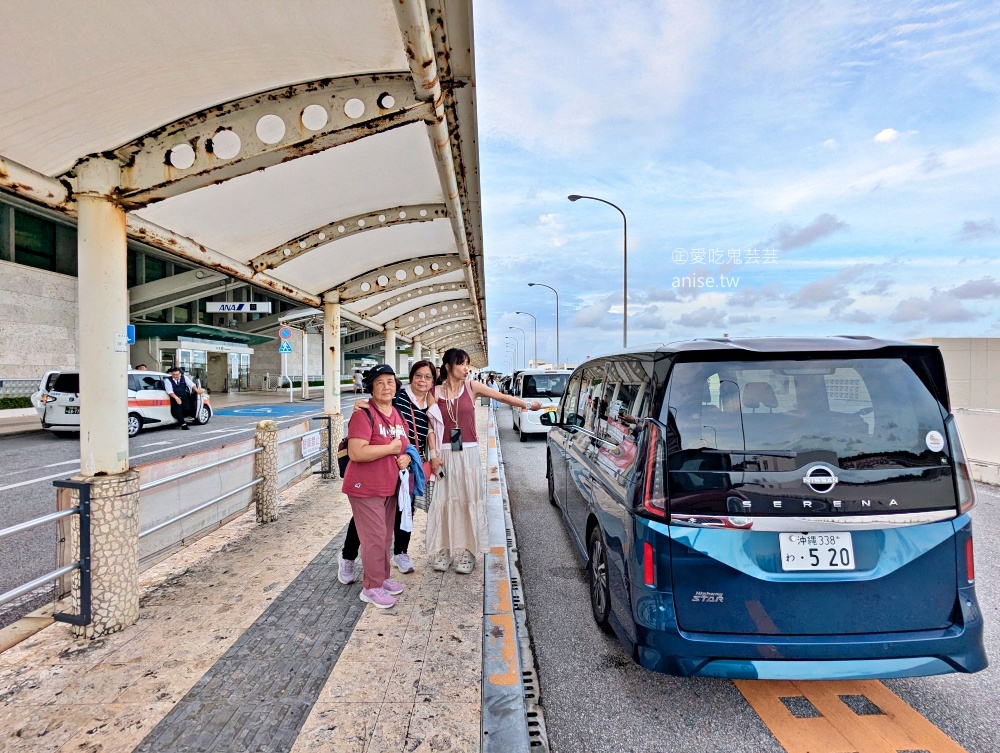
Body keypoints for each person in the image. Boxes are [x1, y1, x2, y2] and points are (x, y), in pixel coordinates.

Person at [426, 349, 541, 574]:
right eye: (461, 364)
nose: (466, 368)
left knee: (470, 499)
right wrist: (433, 455)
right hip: (444, 453)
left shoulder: (472, 387)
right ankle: (444, 549)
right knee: (445, 500)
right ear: (448, 367)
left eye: (467, 364)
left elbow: (501, 397)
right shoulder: (435, 392)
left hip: (468, 452)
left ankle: (470, 551)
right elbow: (431, 427)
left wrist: (526, 405)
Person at [339, 360, 439, 579]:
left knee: (405, 510)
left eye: (428, 377)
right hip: (378, 465)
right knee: (366, 519)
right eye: (418, 376)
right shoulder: (398, 398)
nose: (423, 381)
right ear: (411, 378)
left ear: (433, 381)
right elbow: (376, 403)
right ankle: (348, 557)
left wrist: (419, 456)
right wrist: (361, 403)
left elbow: (429, 433)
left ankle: (400, 553)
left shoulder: (432, 403)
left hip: (406, 463)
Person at [340, 364, 411, 609]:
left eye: (390, 381)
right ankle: (371, 588)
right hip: (364, 486)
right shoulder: (363, 414)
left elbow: (405, 445)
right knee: (373, 537)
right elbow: (356, 452)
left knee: (384, 537)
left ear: (396, 386)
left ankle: (383, 578)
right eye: (379, 382)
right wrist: (390, 449)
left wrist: (406, 457)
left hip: (389, 485)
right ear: (371, 387)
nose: (386, 386)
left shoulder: (398, 414)